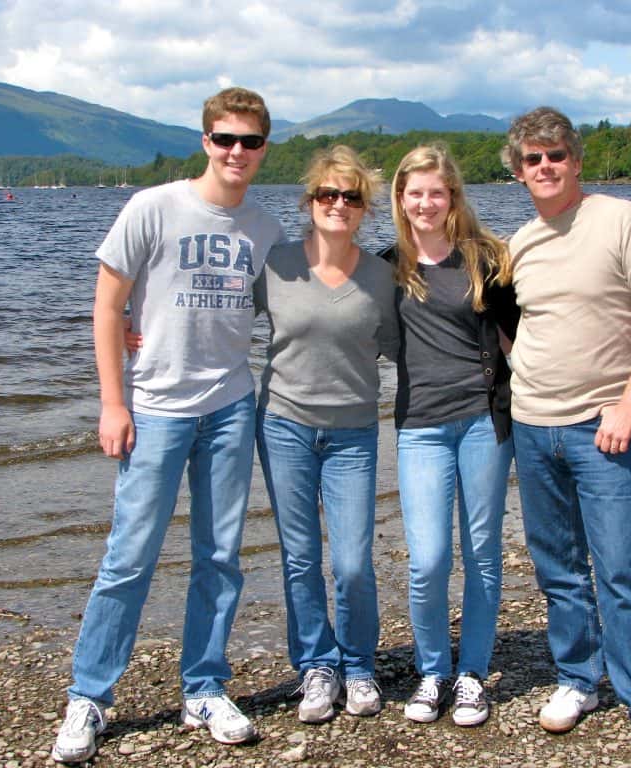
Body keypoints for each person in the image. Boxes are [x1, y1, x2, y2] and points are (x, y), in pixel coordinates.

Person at [51, 87, 284, 764]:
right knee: (130, 555)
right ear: (205, 141)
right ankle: (89, 696)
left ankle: (205, 687)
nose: (236, 152)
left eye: (250, 141)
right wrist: (112, 401)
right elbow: (106, 306)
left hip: (231, 405)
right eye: (225, 139)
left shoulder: (264, 228)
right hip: (153, 408)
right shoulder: (153, 206)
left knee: (219, 555)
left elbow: (298, 303)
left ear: (264, 148)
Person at [501, 107, 631, 768]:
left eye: (555, 155)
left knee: (622, 569)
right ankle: (579, 680)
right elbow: (511, 325)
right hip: (531, 423)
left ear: (575, 159)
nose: (544, 167)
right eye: (532, 159)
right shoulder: (519, 243)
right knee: (557, 568)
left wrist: (629, 405)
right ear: (518, 171)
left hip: (601, 429)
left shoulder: (620, 219)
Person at [254, 145, 398, 724]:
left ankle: (358, 664)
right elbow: (210, 314)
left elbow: (410, 344)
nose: (338, 204)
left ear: (365, 209)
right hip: (284, 426)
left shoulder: (382, 275)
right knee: (299, 556)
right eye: (327, 195)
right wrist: (136, 326)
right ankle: (316, 664)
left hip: (353, 433)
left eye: (351, 197)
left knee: (354, 562)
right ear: (309, 201)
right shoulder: (276, 264)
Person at [380, 144, 518, 726]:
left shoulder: (486, 258)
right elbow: (338, 322)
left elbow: (522, 338)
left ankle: (471, 674)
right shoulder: (387, 266)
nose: (426, 203)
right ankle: (433, 669)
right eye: (416, 193)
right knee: (429, 559)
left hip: (484, 422)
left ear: (452, 197)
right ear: (401, 199)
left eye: (437, 192)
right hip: (421, 427)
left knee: (482, 553)